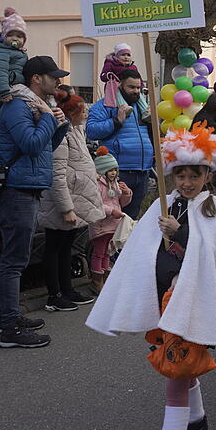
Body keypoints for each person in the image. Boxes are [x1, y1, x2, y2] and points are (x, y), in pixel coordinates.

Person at [86, 122, 216, 430]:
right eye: (180, 175)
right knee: (184, 373)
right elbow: (142, 250)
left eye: (194, 175)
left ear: (208, 174)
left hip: (190, 308)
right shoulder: (165, 203)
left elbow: (214, 259)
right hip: (164, 303)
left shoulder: (215, 210)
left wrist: (180, 232)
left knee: (176, 375)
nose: (186, 183)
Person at [0, 55, 70, 348]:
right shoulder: (16, 106)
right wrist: (50, 119)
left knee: (17, 258)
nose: (58, 81)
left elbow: (44, 148)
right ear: (36, 79)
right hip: (17, 191)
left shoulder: (37, 107)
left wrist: (58, 125)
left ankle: (7, 319)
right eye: (53, 76)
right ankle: (10, 327)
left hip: (29, 187)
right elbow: (31, 144)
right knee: (13, 260)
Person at [37, 88, 105, 312]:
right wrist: (66, 207)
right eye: (82, 111)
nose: (86, 114)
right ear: (71, 114)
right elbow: (57, 174)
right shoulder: (62, 134)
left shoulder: (75, 130)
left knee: (66, 248)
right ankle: (54, 295)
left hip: (74, 198)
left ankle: (67, 290)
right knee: (55, 248)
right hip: (61, 202)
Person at [86, 67, 154, 219]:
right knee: (114, 219)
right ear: (120, 86)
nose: (136, 91)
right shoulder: (106, 105)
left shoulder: (142, 108)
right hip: (118, 172)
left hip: (143, 171)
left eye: (138, 87)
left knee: (132, 220)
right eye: (131, 87)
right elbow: (91, 130)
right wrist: (116, 121)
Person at [89, 146, 132, 294]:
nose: (113, 173)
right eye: (110, 170)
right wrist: (111, 211)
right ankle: (97, 281)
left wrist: (126, 194)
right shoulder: (97, 185)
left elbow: (121, 203)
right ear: (102, 171)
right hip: (101, 225)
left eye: (115, 170)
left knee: (108, 252)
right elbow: (97, 204)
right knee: (99, 252)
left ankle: (106, 277)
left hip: (113, 224)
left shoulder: (114, 184)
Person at [100, 43, 149, 114]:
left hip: (130, 88)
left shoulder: (133, 67)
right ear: (116, 56)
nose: (126, 57)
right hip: (116, 87)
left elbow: (138, 78)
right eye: (123, 55)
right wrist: (108, 75)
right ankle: (124, 108)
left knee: (138, 93)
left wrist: (142, 87)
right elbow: (103, 75)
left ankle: (145, 111)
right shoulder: (111, 64)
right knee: (118, 91)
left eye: (128, 55)